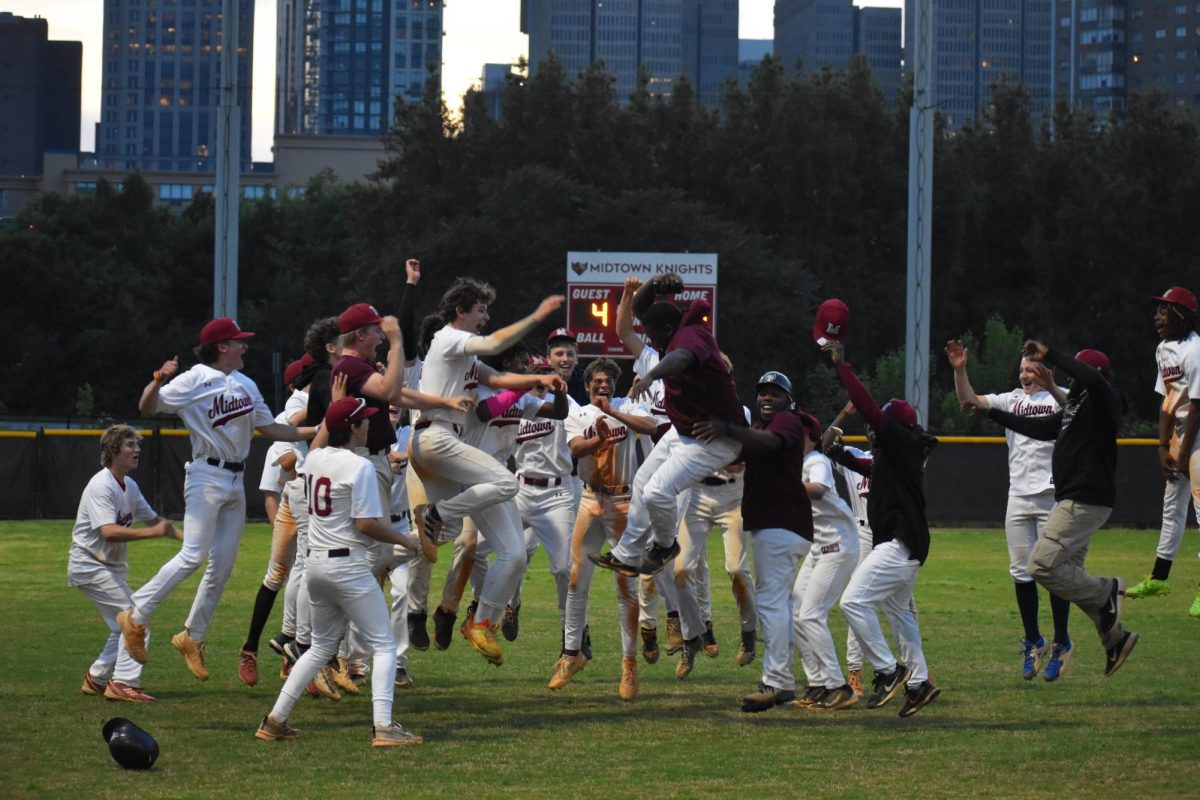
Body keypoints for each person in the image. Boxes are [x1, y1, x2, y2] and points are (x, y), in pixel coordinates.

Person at [120, 318, 316, 681]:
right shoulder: (194, 379)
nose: (245, 347)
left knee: (222, 565)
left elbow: (271, 428)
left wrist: (318, 429)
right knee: (193, 555)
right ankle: (135, 615)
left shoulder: (246, 384)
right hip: (206, 475)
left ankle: (192, 636)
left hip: (236, 478)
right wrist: (158, 378)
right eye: (239, 342)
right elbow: (149, 406)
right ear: (222, 346)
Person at [591, 273, 744, 681]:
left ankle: (690, 618)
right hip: (678, 437)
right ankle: (686, 624)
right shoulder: (656, 348)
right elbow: (632, 320)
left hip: (698, 458)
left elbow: (679, 361)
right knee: (646, 496)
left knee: (670, 560)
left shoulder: (689, 347)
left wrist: (651, 376)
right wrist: (642, 289)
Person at [410, 277, 565, 665]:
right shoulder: (447, 339)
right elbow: (495, 348)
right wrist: (538, 315)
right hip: (436, 439)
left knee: (513, 555)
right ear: (461, 311)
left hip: (451, 447)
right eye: (481, 309)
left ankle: (479, 623)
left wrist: (538, 378)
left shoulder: (464, 357)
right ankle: (435, 518)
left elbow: (496, 378)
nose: (486, 315)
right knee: (503, 482)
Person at [255, 396, 422, 747]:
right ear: (353, 427)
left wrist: (334, 405)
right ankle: (384, 727)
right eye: (363, 421)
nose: (368, 426)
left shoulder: (314, 458)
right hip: (346, 564)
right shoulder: (358, 466)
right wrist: (407, 541)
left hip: (315, 564)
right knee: (384, 645)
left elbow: (318, 443)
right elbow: (366, 524)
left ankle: (275, 720)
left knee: (319, 649)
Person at [986, 341, 1139, 677]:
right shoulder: (1077, 406)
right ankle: (1114, 637)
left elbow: (1095, 381)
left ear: (1091, 374)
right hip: (1073, 498)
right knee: (1068, 577)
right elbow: (1039, 429)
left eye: (1079, 370)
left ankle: (1107, 590)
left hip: (1084, 500)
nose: (1075, 376)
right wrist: (991, 412)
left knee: (1040, 566)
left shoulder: (1103, 399)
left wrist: (1052, 356)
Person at [946, 338, 1075, 681]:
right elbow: (969, 402)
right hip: (1018, 496)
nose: (1024, 376)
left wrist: (1053, 386)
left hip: (1052, 494)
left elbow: (1078, 414)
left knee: (1053, 572)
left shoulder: (1059, 394)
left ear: (1045, 370)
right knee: (1021, 571)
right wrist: (960, 371)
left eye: (1031, 369)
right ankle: (1034, 640)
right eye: (1021, 370)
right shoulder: (1011, 400)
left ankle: (1062, 641)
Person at [825, 339, 941, 717]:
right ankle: (920, 683)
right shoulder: (897, 454)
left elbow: (867, 403)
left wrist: (844, 367)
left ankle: (889, 671)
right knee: (899, 613)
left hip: (899, 544)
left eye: (880, 424)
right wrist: (839, 454)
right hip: (905, 544)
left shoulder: (900, 442)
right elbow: (870, 469)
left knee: (853, 603)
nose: (873, 428)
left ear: (894, 427)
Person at [693, 371, 812, 712]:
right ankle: (785, 682)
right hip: (778, 525)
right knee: (781, 605)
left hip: (781, 524)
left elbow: (769, 443)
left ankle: (774, 682)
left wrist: (728, 429)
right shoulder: (760, 430)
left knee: (772, 604)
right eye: (762, 392)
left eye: (775, 392)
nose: (766, 398)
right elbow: (736, 453)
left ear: (789, 399)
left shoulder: (789, 421)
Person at [549, 357, 657, 698]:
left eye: (608, 380)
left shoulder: (629, 405)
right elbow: (575, 449)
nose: (603, 385)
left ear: (616, 384)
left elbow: (650, 427)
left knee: (625, 587)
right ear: (588, 385)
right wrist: (598, 439)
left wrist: (613, 411)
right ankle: (571, 653)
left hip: (623, 501)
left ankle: (629, 665)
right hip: (589, 499)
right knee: (576, 578)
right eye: (597, 381)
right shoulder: (577, 413)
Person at [72, 426, 181, 703]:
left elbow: (157, 522)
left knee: (121, 625)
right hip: (89, 565)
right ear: (113, 451)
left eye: (137, 445)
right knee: (136, 620)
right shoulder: (101, 485)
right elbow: (108, 531)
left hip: (107, 568)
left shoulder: (129, 486)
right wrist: (153, 533)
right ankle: (123, 682)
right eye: (130, 445)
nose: (137, 450)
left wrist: (192, 544)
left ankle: (97, 678)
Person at [614, 276, 682, 665]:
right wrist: (627, 294)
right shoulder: (650, 358)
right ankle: (672, 622)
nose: (651, 333)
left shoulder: (687, 354)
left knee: (664, 549)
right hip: (657, 461)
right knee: (655, 550)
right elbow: (624, 328)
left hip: (682, 463)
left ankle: (679, 622)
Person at [238, 353, 313, 686]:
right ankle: (250, 648)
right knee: (279, 572)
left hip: (316, 506)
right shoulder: (286, 419)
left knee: (310, 576)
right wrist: (279, 534)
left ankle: (294, 656)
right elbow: (274, 488)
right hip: (289, 507)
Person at [1126, 286, 1200, 617]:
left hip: (1198, 440)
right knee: (1172, 508)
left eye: (1164, 311)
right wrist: (1162, 446)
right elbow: (1167, 401)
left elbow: (1198, 406)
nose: (1157, 316)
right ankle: (1159, 578)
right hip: (1180, 438)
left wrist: (1184, 455)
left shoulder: (1196, 350)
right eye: (1158, 310)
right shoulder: (1163, 349)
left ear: (1181, 315)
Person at [791, 410, 861, 711]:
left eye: (798, 433)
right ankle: (818, 683)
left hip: (839, 546)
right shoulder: (795, 462)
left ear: (809, 437)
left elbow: (818, 490)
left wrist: (784, 483)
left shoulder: (816, 462)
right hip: (819, 547)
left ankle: (839, 687)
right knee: (795, 613)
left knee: (810, 615)